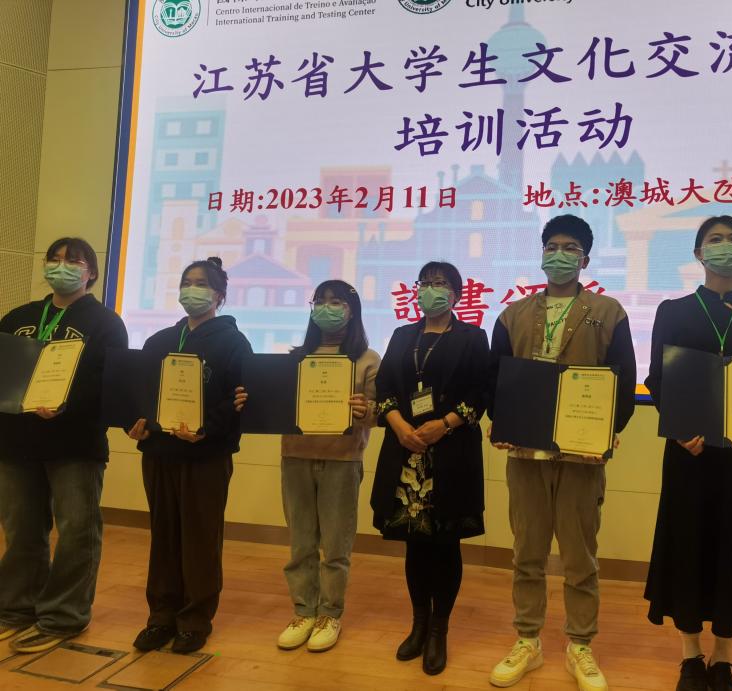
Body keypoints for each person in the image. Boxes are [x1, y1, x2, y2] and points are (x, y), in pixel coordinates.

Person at [487, 214, 636, 691]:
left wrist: (606, 433)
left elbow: (625, 383)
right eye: (552, 246)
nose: (559, 255)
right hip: (524, 454)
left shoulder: (609, 312)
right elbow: (495, 381)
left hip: (581, 457)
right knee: (526, 553)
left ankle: (580, 645)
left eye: (570, 248)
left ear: (585, 259)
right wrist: (501, 423)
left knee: (580, 557)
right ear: (541, 254)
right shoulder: (512, 315)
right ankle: (527, 640)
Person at [643, 216, 732, 691]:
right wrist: (679, 427)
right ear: (698, 253)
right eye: (715, 239)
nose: (725, 246)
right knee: (689, 547)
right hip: (691, 455)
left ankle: (724, 658)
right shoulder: (673, 311)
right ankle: (690, 656)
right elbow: (658, 378)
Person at [234, 280, 379, 653]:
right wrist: (250, 400)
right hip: (296, 456)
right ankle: (303, 611)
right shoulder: (294, 359)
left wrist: (365, 410)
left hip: (342, 460)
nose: (327, 308)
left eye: (336, 302)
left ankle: (330, 614)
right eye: (320, 301)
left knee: (336, 546)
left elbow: (377, 414)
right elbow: (273, 404)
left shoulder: (367, 358)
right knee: (301, 543)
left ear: (352, 310)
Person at [0, 238, 128, 653]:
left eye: (74, 260)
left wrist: (65, 405)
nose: (62, 266)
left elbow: (109, 385)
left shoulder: (105, 323)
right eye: (54, 259)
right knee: (21, 530)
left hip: (75, 444)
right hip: (16, 443)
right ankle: (16, 608)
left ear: (91, 272)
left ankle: (63, 616)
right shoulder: (18, 318)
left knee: (76, 532)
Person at [127, 257, 252, 654]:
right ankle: (161, 617)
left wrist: (205, 430)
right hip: (160, 452)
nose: (191, 290)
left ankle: (195, 620)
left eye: (200, 284)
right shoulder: (159, 340)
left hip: (205, 456)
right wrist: (136, 423)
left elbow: (239, 400)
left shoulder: (234, 342)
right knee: (163, 536)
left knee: (200, 538)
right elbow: (139, 391)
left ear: (219, 294)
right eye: (186, 282)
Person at [369, 261, 489, 676]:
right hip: (406, 452)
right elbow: (385, 387)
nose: (430, 290)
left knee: (445, 544)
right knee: (415, 544)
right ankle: (418, 624)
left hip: (451, 454)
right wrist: (399, 425)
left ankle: (440, 629)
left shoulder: (472, 337)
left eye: (440, 283)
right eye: (425, 283)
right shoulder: (403, 335)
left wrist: (445, 424)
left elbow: (480, 392)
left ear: (456, 293)